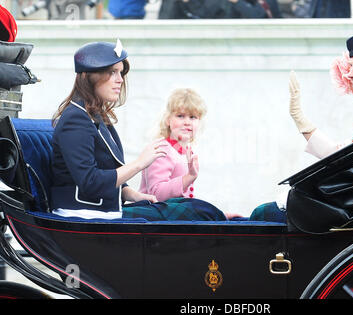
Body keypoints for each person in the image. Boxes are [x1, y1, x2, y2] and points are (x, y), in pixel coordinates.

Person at [250, 2, 353, 222]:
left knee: (263, 213)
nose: (349, 74)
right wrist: (302, 121)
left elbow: (347, 172)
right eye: (350, 67)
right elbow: (344, 156)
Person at [50, 40, 227, 222]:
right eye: (112, 72)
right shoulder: (76, 118)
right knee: (198, 211)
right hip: (83, 215)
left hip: (103, 210)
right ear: (89, 76)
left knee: (194, 209)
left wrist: (133, 195)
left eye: (120, 73)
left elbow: (108, 170)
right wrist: (140, 163)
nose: (120, 79)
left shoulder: (94, 115)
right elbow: (91, 182)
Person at [139, 88, 205, 202]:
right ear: (168, 120)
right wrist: (189, 177)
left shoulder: (186, 152)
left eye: (193, 117)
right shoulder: (161, 150)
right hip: (155, 215)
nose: (187, 122)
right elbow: (156, 194)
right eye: (180, 116)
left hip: (172, 214)